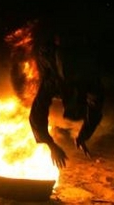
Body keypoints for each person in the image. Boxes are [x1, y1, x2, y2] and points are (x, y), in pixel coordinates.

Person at [29, 19, 104, 169]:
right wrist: (51, 145)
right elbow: (36, 114)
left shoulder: (92, 85)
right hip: (49, 53)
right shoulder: (53, 81)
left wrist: (83, 136)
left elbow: (94, 113)